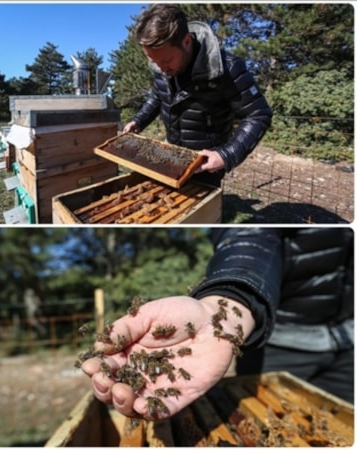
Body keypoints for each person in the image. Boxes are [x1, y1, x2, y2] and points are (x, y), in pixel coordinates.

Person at [81, 228, 353, 420]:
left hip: (350, 344)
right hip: (277, 343)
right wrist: (230, 300)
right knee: (267, 420)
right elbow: (248, 238)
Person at [122, 4, 273, 187]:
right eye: (153, 61)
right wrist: (139, 120)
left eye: (166, 60)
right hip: (171, 154)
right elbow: (158, 95)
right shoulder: (160, 66)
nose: (161, 68)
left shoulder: (228, 68)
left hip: (206, 162)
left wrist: (226, 155)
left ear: (186, 41)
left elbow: (258, 114)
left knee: (202, 213)